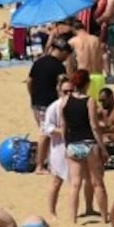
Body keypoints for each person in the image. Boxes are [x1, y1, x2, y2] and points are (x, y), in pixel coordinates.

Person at [62, 69, 108, 224]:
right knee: (97, 182)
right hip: (88, 143)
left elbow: (64, 127)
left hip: (73, 144)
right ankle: (104, 217)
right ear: (87, 83)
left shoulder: (64, 101)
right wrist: (102, 147)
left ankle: (72, 218)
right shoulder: (89, 101)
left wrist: (65, 145)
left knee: (75, 183)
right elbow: (94, 126)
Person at [28, 39, 72, 171]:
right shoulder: (59, 66)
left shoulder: (39, 61)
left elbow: (30, 81)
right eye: (66, 54)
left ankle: (48, 162)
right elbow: (63, 86)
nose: (66, 57)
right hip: (49, 104)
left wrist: (32, 96)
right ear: (63, 52)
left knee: (46, 132)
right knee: (46, 133)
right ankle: (40, 166)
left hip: (36, 102)